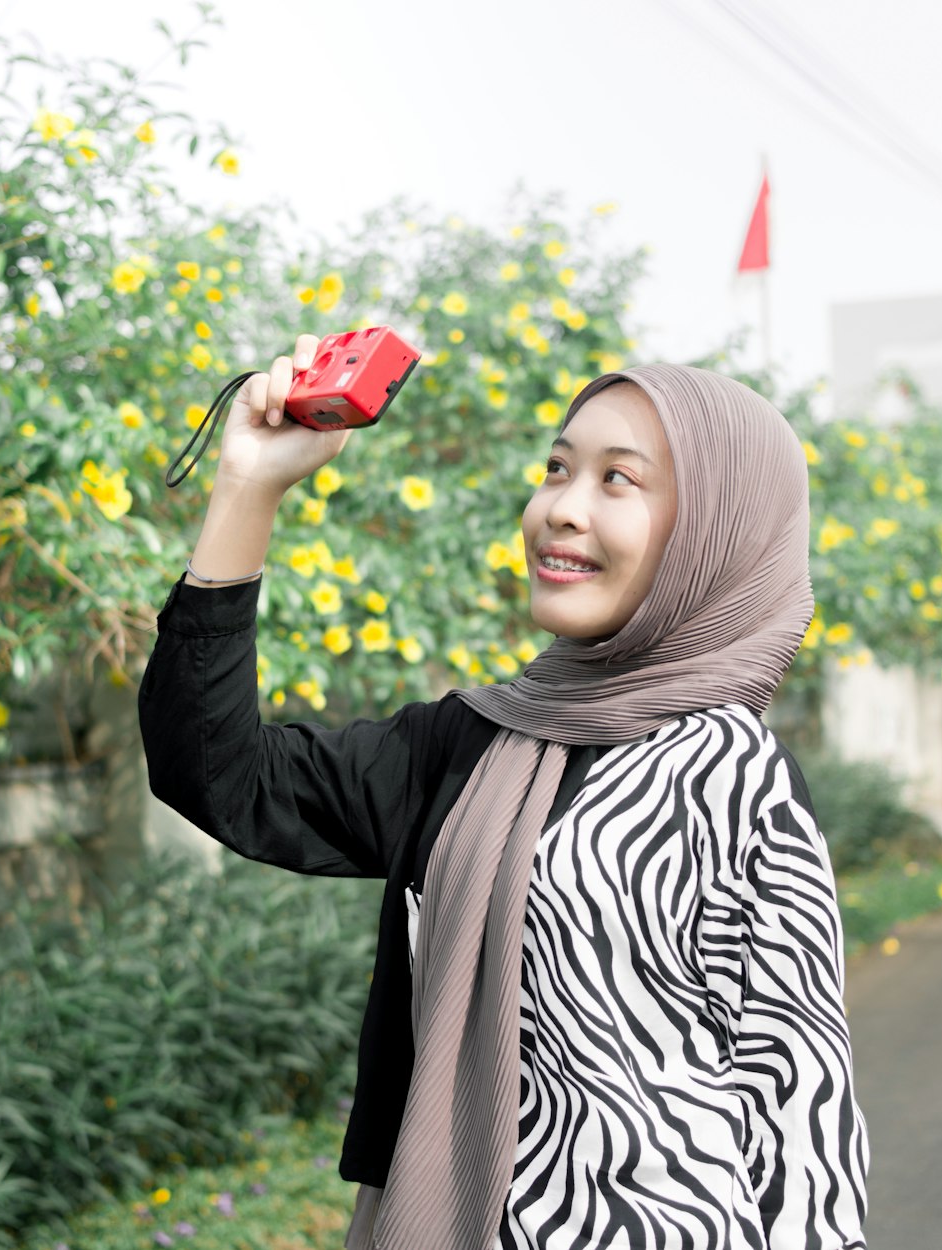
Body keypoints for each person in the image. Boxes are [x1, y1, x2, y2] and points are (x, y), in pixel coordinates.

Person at [139, 333, 869, 1250]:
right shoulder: (467, 747)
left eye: (618, 480)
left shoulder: (733, 776)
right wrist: (249, 487)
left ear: (717, 533)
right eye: (557, 469)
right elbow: (214, 770)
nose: (561, 509)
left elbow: (800, 1103)